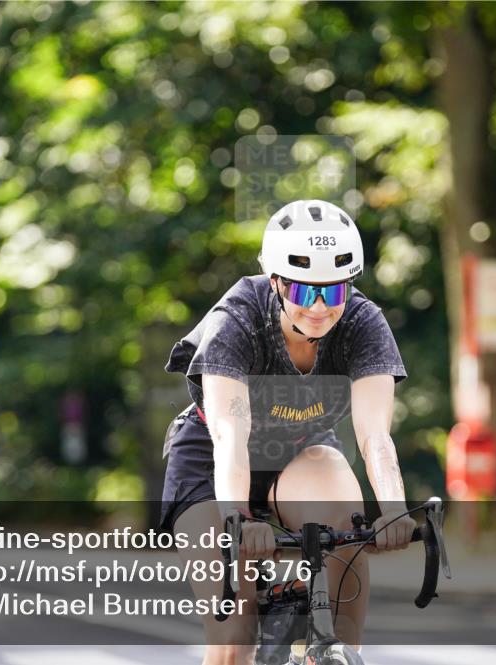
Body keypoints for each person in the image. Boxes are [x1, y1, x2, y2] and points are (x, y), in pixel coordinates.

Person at [160, 200, 414, 664]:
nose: (319, 307)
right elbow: (229, 435)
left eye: (333, 292)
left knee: (346, 539)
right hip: (211, 460)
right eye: (302, 289)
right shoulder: (236, 319)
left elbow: (375, 436)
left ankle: (333, 653)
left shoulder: (363, 323)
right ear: (275, 280)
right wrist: (239, 517)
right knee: (235, 630)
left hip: (301, 452)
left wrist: (394, 512)